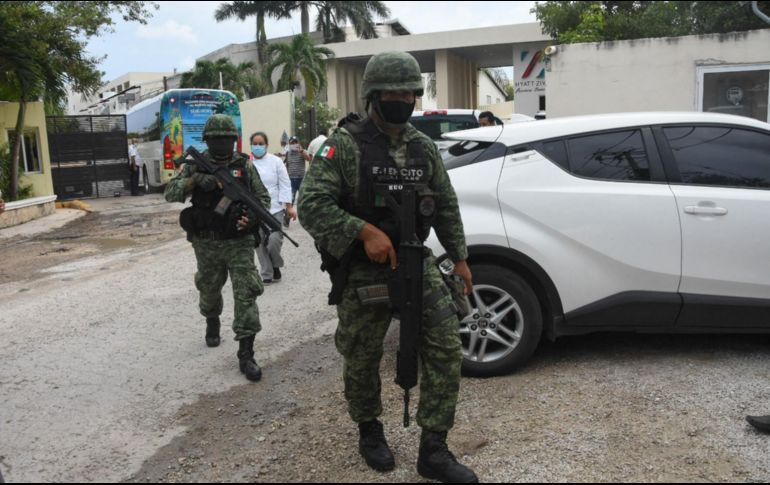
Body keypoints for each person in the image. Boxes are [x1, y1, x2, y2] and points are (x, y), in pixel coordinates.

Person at [297, 51, 478, 483]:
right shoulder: (344, 146)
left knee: (446, 347)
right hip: (364, 271)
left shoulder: (422, 146)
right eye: (391, 92)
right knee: (362, 356)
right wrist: (362, 232)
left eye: (408, 92)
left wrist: (460, 258)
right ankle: (369, 429)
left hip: (417, 262)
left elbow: (447, 205)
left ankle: (433, 449)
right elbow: (311, 206)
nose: (401, 99)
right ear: (373, 95)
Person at [164, 114, 270, 382]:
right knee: (209, 288)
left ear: (234, 140)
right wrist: (195, 181)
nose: (223, 144)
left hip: (238, 241)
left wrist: (253, 219)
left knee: (246, 291)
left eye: (227, 139)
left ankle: (246, 353)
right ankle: (212, 318)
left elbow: (262, 199)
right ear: (208, 141)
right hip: (207, 242)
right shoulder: (194, 165)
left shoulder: (244, 166)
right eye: (217, 139)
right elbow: (171, 193)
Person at [249, 131, 296, 284]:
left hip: (275, 209)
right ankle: (267, 273)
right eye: (254, 144)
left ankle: (275, 264)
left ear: (267, 145)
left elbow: (285, 184)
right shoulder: (246, 163)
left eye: (260, 143)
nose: (257, 146)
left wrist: (289, 207)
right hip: (254, 210)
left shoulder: (276, 161)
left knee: (275, 240)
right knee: (259, 241)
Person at [283, 135, 311, 227]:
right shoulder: (288, 153)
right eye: (292, 143)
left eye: (295, 142)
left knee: (304, 200)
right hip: (291, 180)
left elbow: (309, 159)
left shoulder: (302, 151)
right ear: (289, 144)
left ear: (298, 143)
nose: (294, 144)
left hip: (301, 179)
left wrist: (302, 151)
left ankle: (307, 219)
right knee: (290, 200)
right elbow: (286, 164)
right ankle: (286, 219)